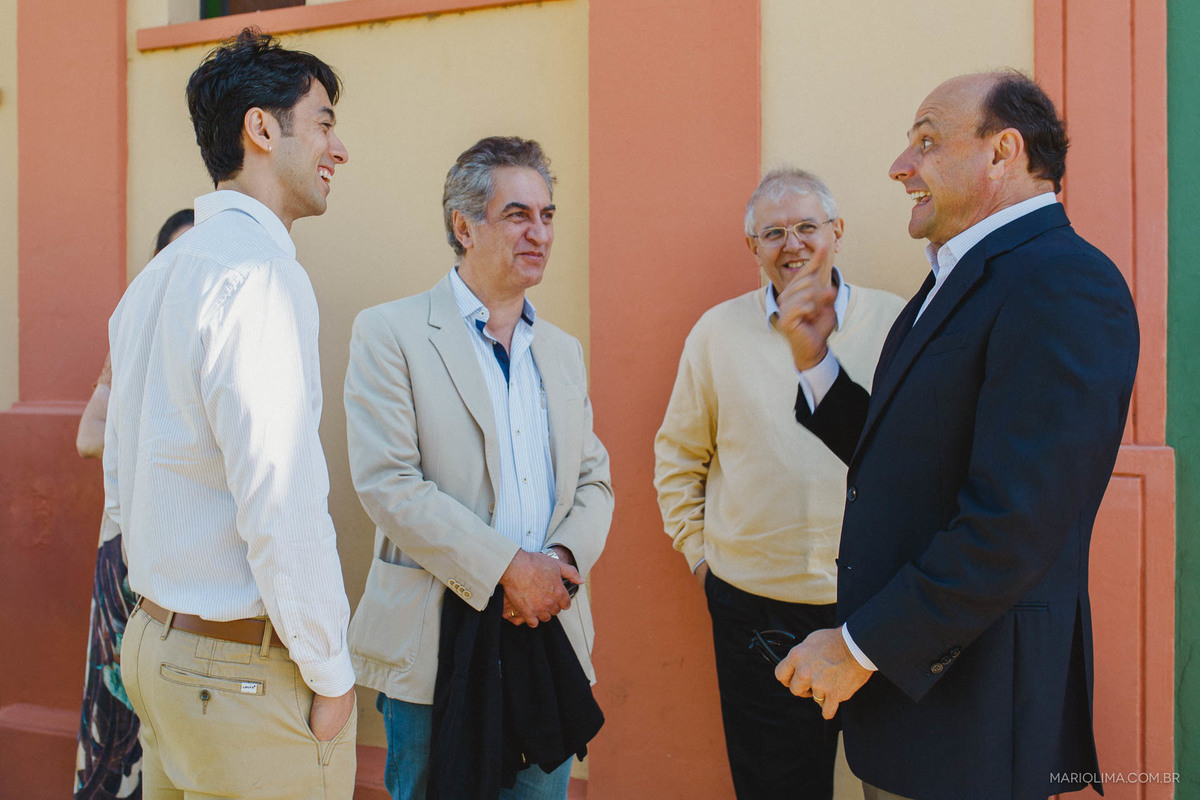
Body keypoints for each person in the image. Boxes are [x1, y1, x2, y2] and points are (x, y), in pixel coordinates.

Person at [771, 71, 1139, 800]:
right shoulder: (962, 277)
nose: (900, 167)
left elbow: (1014, 524)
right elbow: (908, 463)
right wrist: (816, 363)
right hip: (916, 710)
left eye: (928, 142)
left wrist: (857, 647)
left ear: (1003, 151)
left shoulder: (1063, 282)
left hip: (973, 722)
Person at [107, 29, 357, 799]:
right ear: (260, 128)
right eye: (322, 121)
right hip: (238, 674)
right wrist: (331, 673)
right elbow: (279, 497)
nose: (338, 148)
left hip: (156, 648)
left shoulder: (158, 277)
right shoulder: (258, 277)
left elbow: (123, 480)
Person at [344, 136, 613, 800]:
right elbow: (389, 483)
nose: (540, 232)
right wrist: (509, 570)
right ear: (464, 227)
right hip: (438, 645)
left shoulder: (561, 351)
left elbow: (594, 481)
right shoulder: (392, 333)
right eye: (518, 214)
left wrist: (554, 566)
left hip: (545, 634)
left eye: (548, 215)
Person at [653, 168, 903, 799]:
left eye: (806, 228)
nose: (791, 244)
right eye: (773, 233)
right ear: (753, 248)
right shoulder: (716, 333)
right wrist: (702, 559)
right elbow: (679, 456)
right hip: (756, 610)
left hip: (879, 605)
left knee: (900, 783)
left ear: (837, 233)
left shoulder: (898, 322)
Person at [73, 209, 193, 800]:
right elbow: (87, 437)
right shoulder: (129, 341)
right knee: (119, 722)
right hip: (124, 556)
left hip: (190, 566)